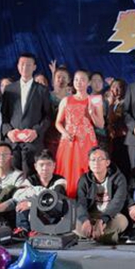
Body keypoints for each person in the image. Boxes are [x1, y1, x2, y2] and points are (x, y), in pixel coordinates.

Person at [0, 53, 52, 177]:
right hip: (13, 143)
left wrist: (36, 131)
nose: (25, 68)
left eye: (28, 65)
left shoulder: (42, 90)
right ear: (18, 66)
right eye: (22, 64)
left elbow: (48, 116)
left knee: (30, 179)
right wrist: (8, 132)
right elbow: (3, 115)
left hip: (33, 143)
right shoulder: (9, 89)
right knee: (11, 178)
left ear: (34, 67)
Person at [55, 69, 104, 199]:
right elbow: (58, 123)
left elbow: (101, 124)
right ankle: (65, 200)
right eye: (76, 79)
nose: (79, 82)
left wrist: (92, 113)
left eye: (82, 80)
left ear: (88, 83)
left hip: (87, 141)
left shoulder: (95, 100)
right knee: (67, 170)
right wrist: (65, 133)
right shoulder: (66, 100)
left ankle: (86, 199)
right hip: (69, 142)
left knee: (86, 168)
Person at [75, 148, 129, 243]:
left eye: (100, 159)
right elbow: (81, 202)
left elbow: (117, 203)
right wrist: (85, 220)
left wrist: (102, 220)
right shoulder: (84, 179)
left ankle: (92, 235)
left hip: (110, 216)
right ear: (89, 163)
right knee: (72, 223)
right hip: (91, 215)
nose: (96, 162)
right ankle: (105, 236)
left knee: (122, 221)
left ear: (107, 162)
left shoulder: (119, 178)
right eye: (93, 160)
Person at [11, 149, 67, 239]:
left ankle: (40, 230)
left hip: (52, 215)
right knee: (22, 201)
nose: (45, 168)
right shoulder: (30, 180)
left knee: (52, 203)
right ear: (35, 166)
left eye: (48, 164)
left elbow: (54, 200)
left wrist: (31, 204)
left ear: (54, 165)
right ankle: (23, 229)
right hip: (35, 211)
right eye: (41, 165)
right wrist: (30, 202)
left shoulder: (60, 180)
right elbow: (18, 195)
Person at [106, 78, 130, 176]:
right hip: (114, 139)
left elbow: (113, 118)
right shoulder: (115, 102)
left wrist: (111, 104)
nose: (116, 90)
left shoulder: (125, 103)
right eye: (113, 87)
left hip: (123, 139)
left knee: (123, 166)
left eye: (119, 87)